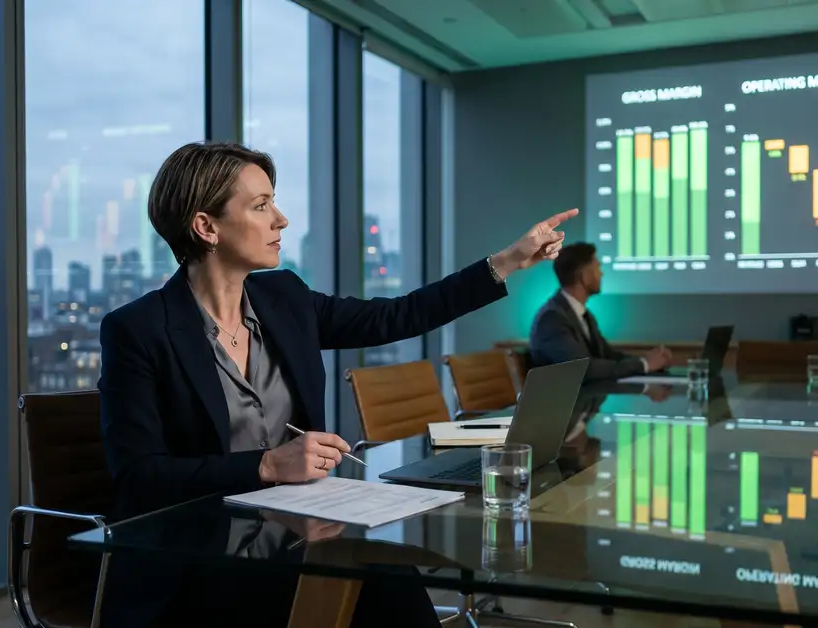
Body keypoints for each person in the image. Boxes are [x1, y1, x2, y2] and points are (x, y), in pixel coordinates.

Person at [97, 141, 576, 627]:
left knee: (393, 582)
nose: (280, 219)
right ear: (206, 227)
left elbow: (397, 315)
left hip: (299, 532)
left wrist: (507, 261)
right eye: (261, 206)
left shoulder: (285, 298)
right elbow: (139, 479)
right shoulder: (137, 330)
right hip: (202, 557)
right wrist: (266, 464)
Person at [528, 242, 672, 383]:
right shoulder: (552, 319)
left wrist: (648, 361)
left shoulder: (584, 315)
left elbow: (608, 356)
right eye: (597, 267)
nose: (601, 273)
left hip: (583, 403)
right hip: (561, 406)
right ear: (584, 275)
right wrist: (644, 365)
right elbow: (583, 369)